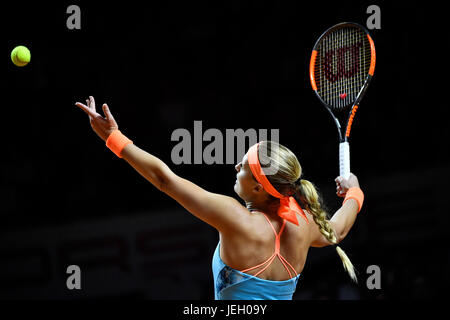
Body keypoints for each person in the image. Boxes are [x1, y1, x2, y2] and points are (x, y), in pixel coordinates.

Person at [75, 96, 364, 300]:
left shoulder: (235, 218)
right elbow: (338, 228)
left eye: (244, 167)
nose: (236, 168)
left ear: (259, 189)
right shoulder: (305, 225)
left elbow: (165, 180)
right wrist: (354, 191)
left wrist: (113, 138)